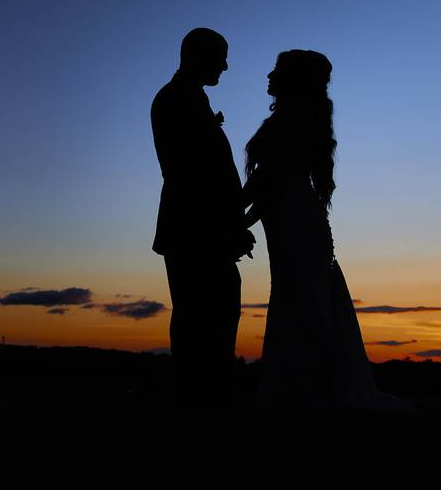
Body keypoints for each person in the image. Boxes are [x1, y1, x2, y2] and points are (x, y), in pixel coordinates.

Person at [243, 49, 416, 416]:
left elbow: (269, 182)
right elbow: (270, 186)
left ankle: (305, 397)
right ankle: (304, 394)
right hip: (293, 222)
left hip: (295, 226)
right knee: (300, 304)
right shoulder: (299, 116)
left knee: (300, 304)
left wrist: (230, 218)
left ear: (294, 79)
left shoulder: (294, 118)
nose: (269, 76)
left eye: (277, 70)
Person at [150, 27, 256, 413]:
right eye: (221, 57)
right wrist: (227, 225)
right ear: (196, 55)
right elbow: (191, 175)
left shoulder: (190, 98)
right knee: (203, 320)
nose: (226, 66)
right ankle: (200, 404)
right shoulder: (176, 100)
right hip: (195, 231)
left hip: (199, 229)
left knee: (212, 315)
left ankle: (204, 400)